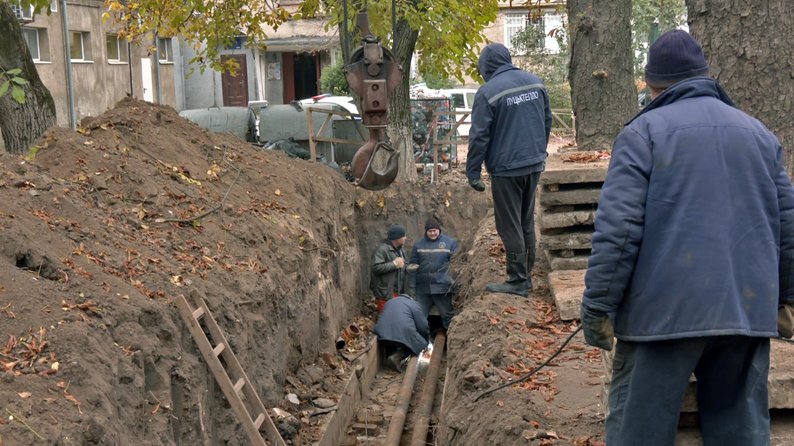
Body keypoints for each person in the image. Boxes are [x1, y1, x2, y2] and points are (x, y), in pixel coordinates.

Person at [580, 30, 794, 446]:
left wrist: (598, 306)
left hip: (660, 318)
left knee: (638, 433)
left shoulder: (643, 134)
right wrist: (788, 296)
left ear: (652, 84)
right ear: (704, 75)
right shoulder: (760, 136)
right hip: (744, 312)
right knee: (742, 434)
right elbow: (786, 224)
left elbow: (619, 230)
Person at [466, 43, 552, 297]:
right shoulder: (535, 82)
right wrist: (537, 151)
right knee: (525, 219)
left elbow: (479, 136)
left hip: (506, 169)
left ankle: (517, 280)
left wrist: (472, 171)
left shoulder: (488, 92)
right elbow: (546, 121)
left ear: (485, 67)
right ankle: (526, 272)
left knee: (509, 224)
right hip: (534, 163)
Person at [408, 217, 459, 330]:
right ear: (426, 231)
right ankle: (421, 343)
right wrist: (412, 287)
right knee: (419, 318)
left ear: (439, 230)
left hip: (442, 288)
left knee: (447, 316)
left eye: (434, 230)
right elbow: (412, 266)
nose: (432, 233)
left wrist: (454, 285)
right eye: (430, 231)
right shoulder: (418, 245)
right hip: (423, 288)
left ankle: (450, 342)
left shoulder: (450, 243)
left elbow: (457, 265)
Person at [373, 295, 429, 372]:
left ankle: (390, 355)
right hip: (402, 332)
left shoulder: (389, 302)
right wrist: (425, 340)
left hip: (382, 332)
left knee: (393, 339)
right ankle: (397, 356)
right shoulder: (414, 304)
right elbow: (423, 326)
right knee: (422, 344)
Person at [370, 224, 407, 313]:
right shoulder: (381, 250)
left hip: (397, 291)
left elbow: (403, 265)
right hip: (385, 292)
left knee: (396, 316)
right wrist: (394, 264)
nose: (406, 238)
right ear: (397, 238)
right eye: (403, 236)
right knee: (387, 317)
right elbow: (376, 267)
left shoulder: (401, 250)